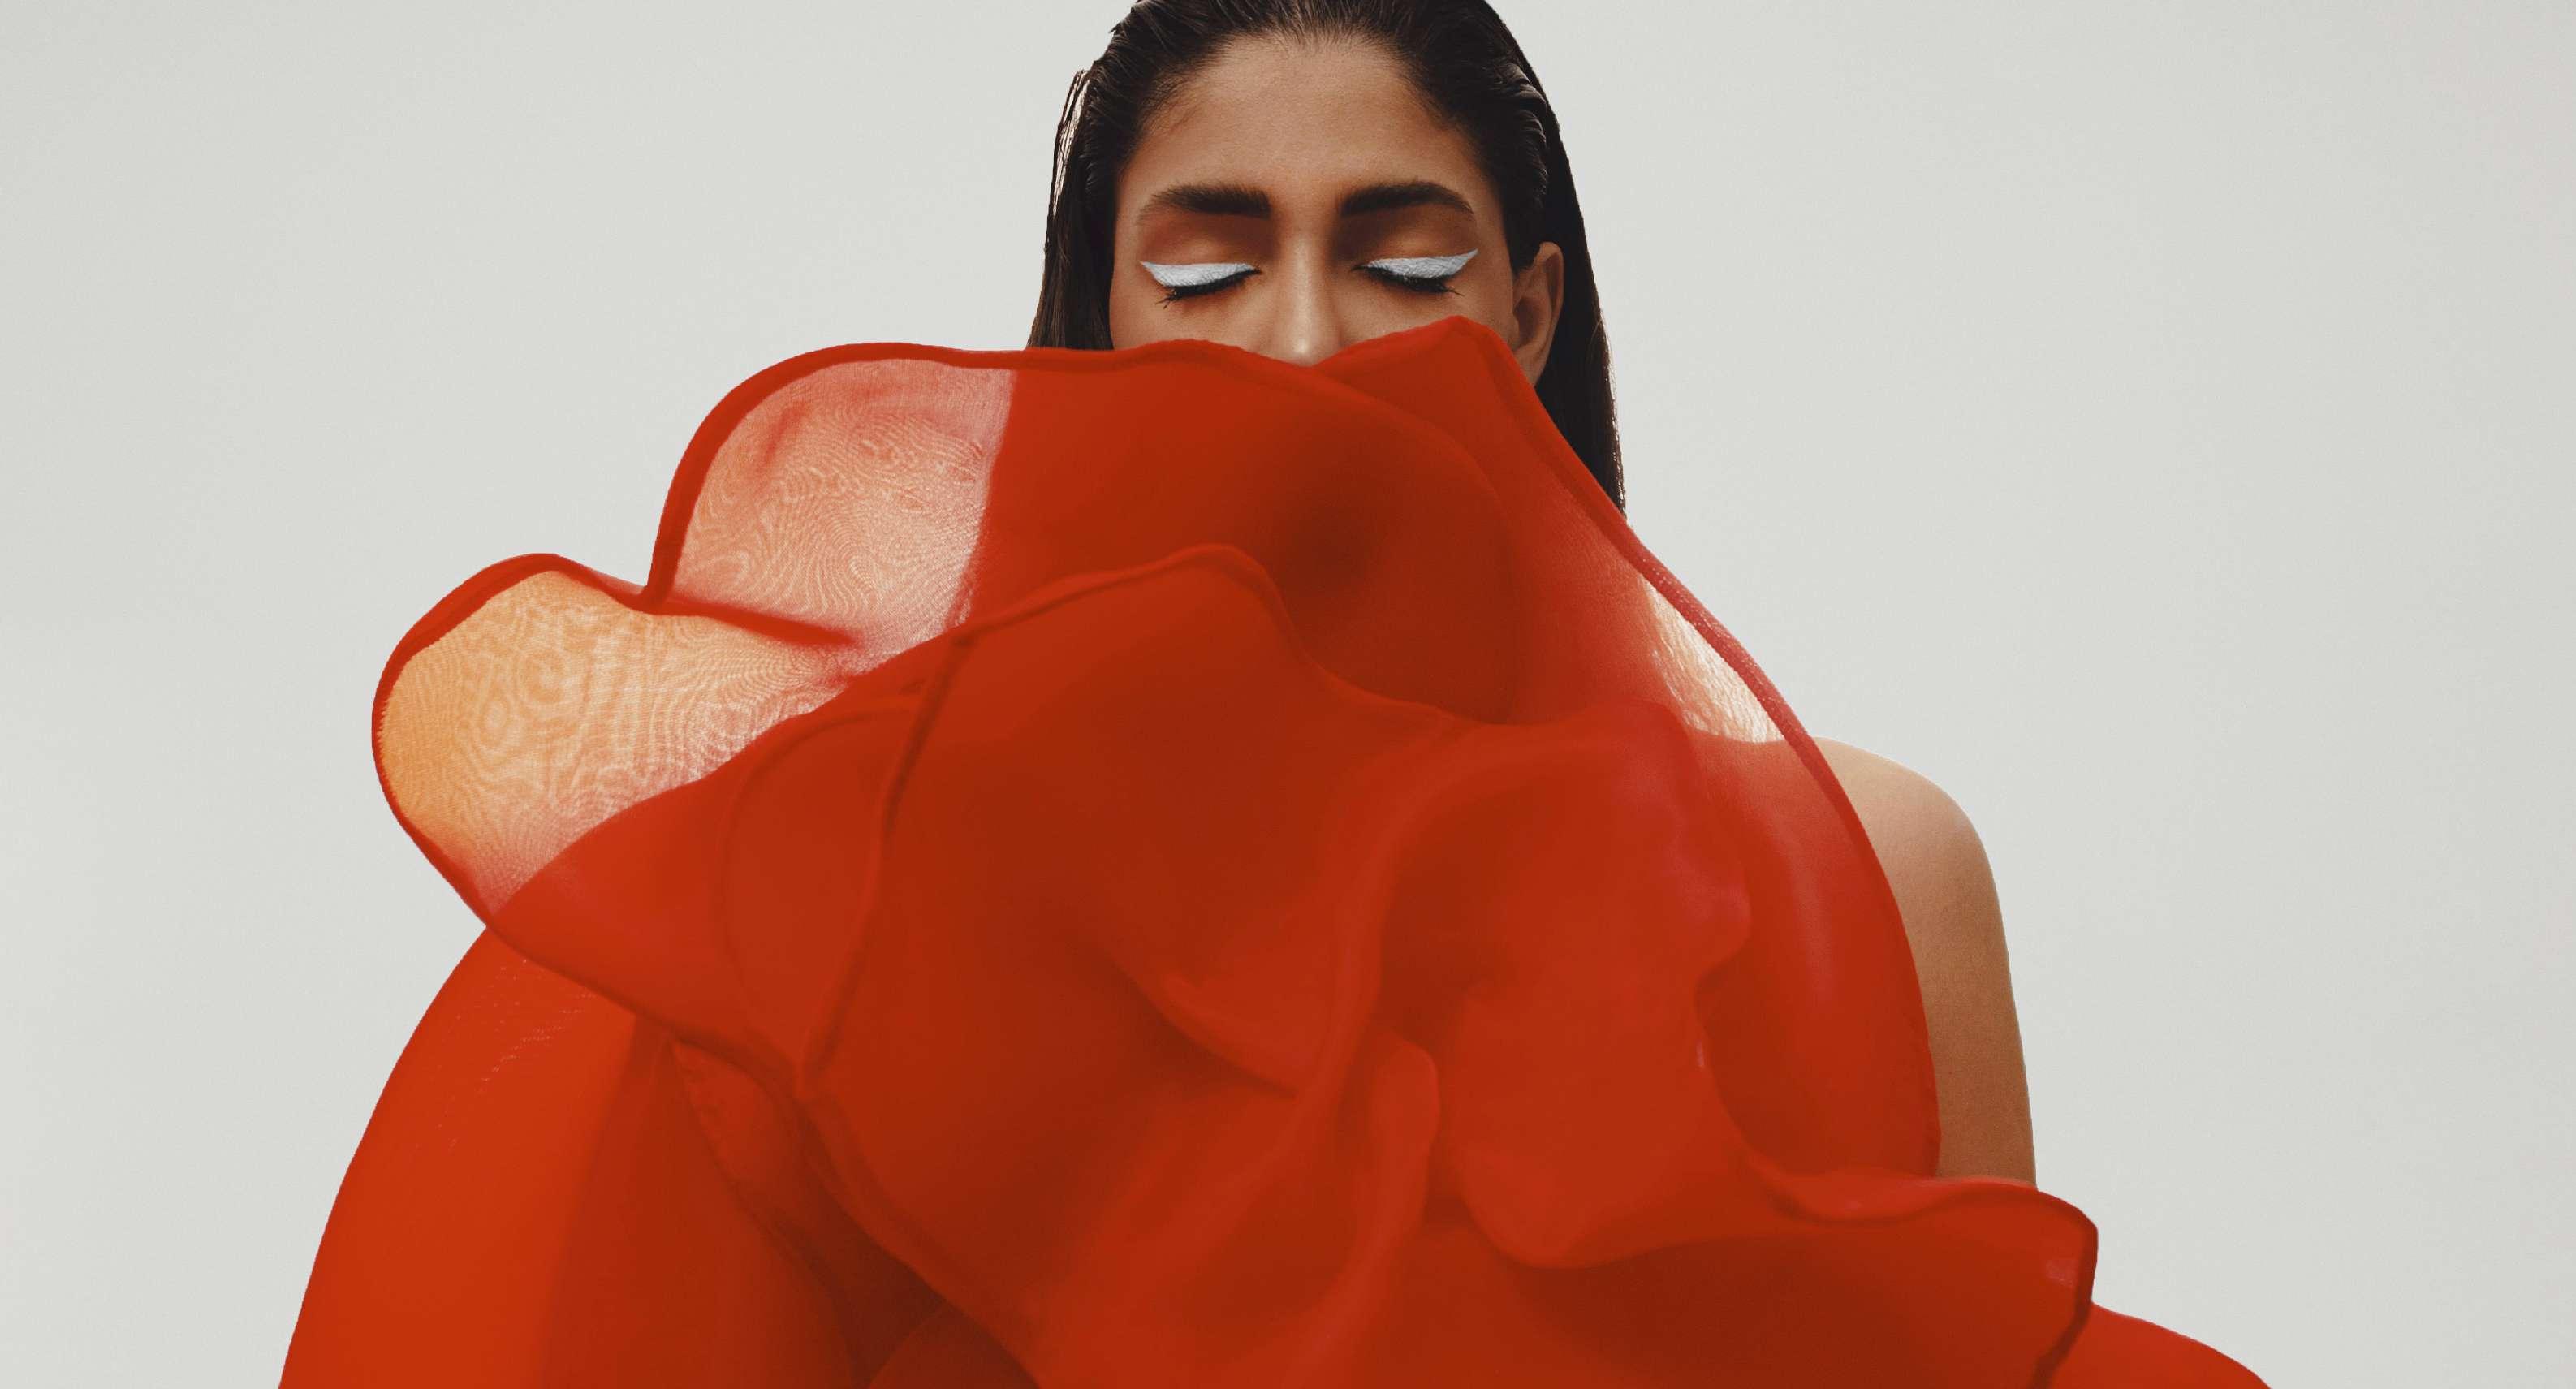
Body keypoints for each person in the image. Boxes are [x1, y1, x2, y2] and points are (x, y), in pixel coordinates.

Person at [282, 2, 2264, 1384]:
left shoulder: (1873, 877)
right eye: (1205, 266)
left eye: (1405, 261)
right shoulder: (861, 914)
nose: (1310, 342)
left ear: (1531, 313)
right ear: (1094, 325)